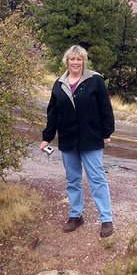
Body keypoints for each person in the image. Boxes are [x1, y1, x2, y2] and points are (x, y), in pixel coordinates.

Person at [40, 45, 115, 238]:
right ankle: (75, 216)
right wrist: (47, 137)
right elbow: (53, 113)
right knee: (73, 180)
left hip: (91, 138)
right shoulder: (59, 84)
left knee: (97, 179)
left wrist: (107, 132)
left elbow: (105, 108)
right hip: (68, 140)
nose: (75, 62)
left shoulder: (95, 80)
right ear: (67, 61)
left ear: (84, 61)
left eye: (79, 59)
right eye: (72, 59)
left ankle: (106, 219)